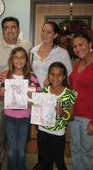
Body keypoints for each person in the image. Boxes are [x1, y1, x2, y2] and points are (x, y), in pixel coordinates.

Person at [0, 17, 32, 170]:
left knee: (19, 128)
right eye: (6, 28)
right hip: (0, 92)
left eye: (13, 27)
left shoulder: (27, 45)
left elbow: (30, 69)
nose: (10, 30)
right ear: (2, 30)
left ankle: (18, 155)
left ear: (18, 29)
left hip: (22, 96)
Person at [30, 21, 72, 170]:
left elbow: (69, 75)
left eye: (49, 32)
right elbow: (31, 73)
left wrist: (56, 86)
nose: (45, 34)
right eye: (43, 31)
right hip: (39, 97)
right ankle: (43, 162)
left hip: (54, 97)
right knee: (41, 133)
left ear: (55, 35)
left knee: (55, 134)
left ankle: (53, 161)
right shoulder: (34, 50)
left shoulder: (62, 53)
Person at [0, 47, 40, 170]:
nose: (19, 60)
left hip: (24, 118)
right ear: (11, 60)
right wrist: (1, 94)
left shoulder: (32, 78)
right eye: (16, 57)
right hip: (10, 117)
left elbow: (37, 98)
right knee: (11, 151)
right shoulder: (6, 76)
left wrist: (33, 98)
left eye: (22, 57)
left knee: (21, 151)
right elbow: (2, 98)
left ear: (26, 60)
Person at [69, 32, 93, 170]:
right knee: (75, 149)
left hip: (89, 118)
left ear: (90, 44)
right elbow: (73, 87)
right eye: (75, 46)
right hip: (74, 115)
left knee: (87, 152)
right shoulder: (78, 64)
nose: (78, 49)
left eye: (81, 44)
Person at [38, 62, 75, 170]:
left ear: (64, 77)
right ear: (48, 76)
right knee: (45, 161)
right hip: (43, 131)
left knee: (59, 161)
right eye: (52, 74)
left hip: (58, 134)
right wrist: (34, 104)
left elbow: (71, 117)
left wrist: (63, 113)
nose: (55, 78)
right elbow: (38, 110)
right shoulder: (44, 91)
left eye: (59, 75)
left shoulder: (69, 94)